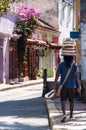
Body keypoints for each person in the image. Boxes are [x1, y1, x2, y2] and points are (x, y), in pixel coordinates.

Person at [53, 40, 81, 122]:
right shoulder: (74, 66)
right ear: (72, 56)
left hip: (63, 86)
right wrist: (79, 86)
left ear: (64, 56)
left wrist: (55, 84)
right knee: (72, 101)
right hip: (72, 86)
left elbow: (57, 75)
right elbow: (76, 76)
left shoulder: (61, 65)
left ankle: (64, 114)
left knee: (63, 100)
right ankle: (71, 115)